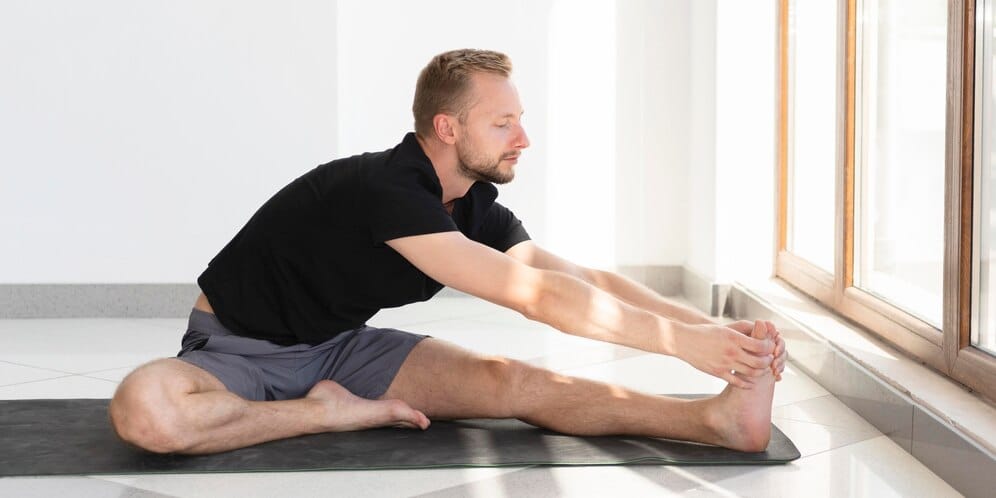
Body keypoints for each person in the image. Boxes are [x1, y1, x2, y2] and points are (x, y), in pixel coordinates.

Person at [109, 49, 787, 455]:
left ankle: (712, 421)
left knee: (512, 384)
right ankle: (325, 413)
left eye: (519, 121)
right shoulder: (386, 188)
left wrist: (711, 333)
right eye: (503, 123)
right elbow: (539, 300)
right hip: (235, 350)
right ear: (446, 126)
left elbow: (573, 277)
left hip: (343, 349)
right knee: (148, 410)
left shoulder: (469, 204)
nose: (522, 138)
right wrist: (678, 345)